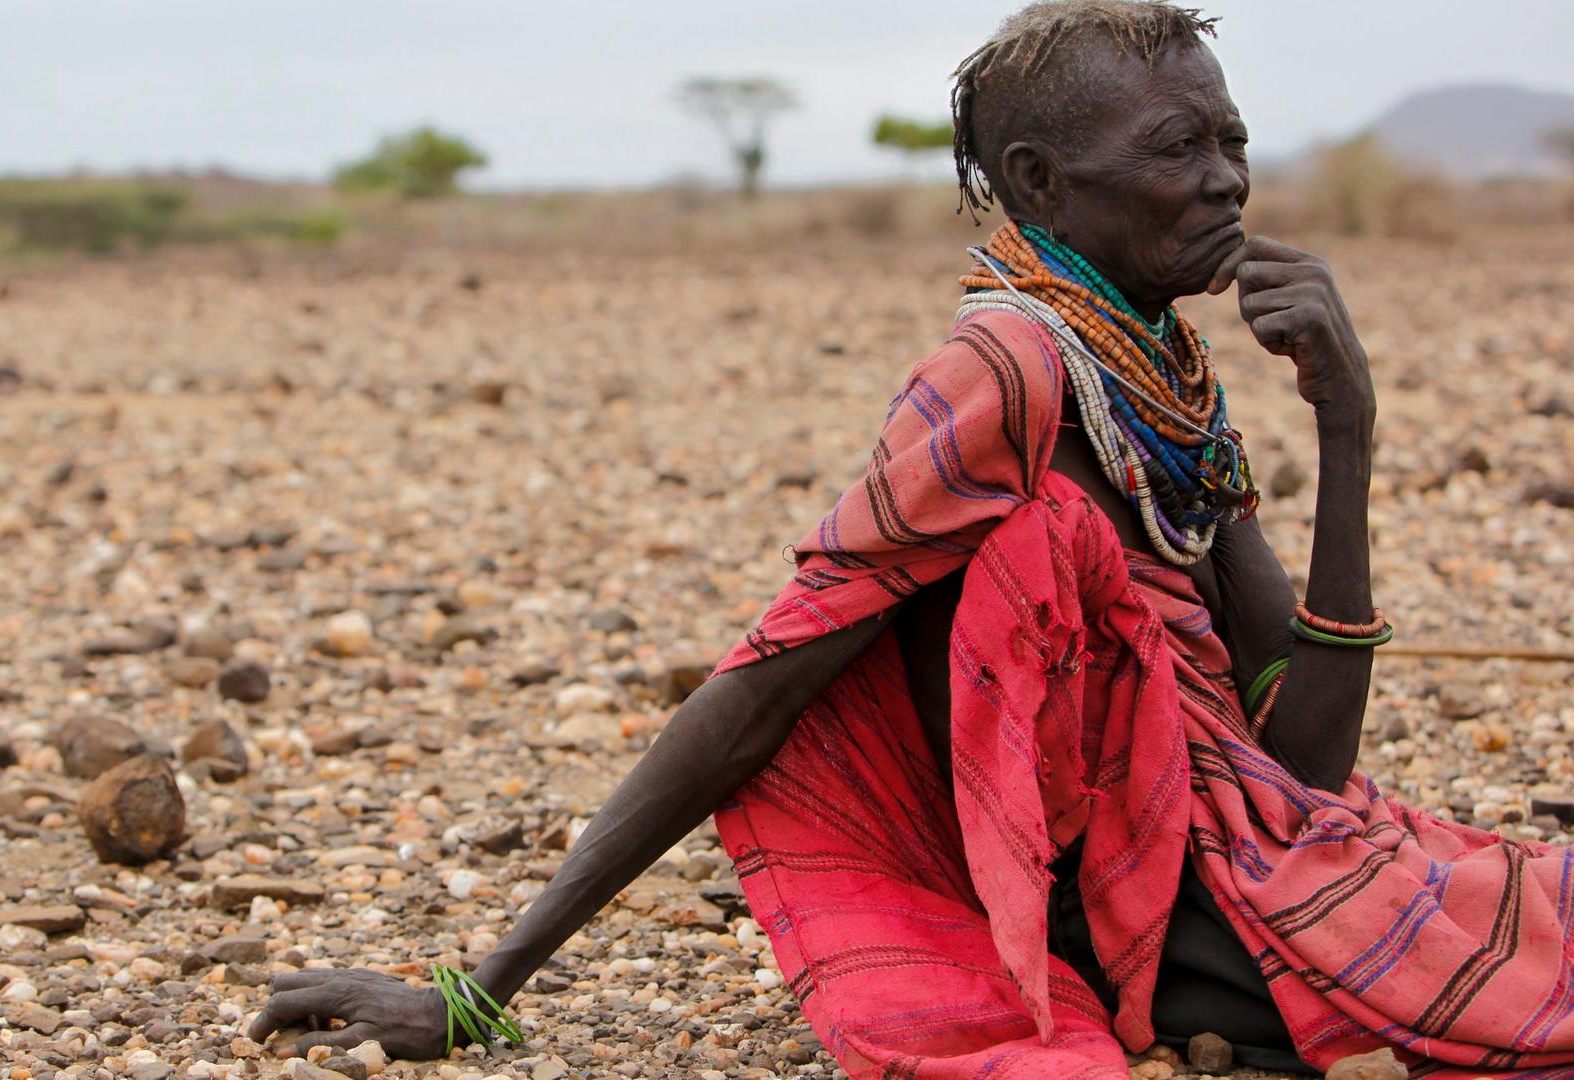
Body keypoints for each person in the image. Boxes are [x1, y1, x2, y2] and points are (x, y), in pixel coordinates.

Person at [250, 3, 1574, 1076]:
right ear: (1039, 182)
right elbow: (765, 684)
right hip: (1142, 913)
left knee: (1517, 902)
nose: (1226, 176)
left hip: (1238, 851)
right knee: (1503, 991)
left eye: (1232, 138)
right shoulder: (1001, 375)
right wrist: (483, 988)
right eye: (1179, 147)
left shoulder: (1163, 369)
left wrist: (1350, 430)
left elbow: (1307, 761)